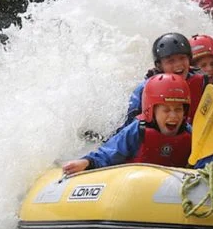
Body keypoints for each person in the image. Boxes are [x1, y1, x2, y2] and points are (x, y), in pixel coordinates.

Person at [63, 74, 192, 174]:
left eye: (178, 109)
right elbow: (109, 152)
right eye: (166, 110)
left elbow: (205, 158)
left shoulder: (190, 134)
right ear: (151, 111)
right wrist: (87, 162)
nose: (174, 116)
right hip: (133, 187)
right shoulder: (137, 130)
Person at [124, 33, 207, 126]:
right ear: (159, 66)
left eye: (182, 58)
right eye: (171, 61)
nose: (178, 64)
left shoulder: (203, 82)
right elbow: (127, 126)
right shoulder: (144, 89)